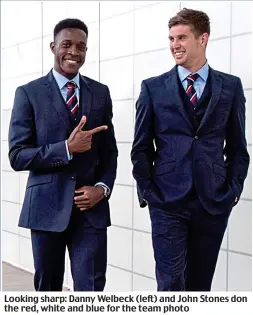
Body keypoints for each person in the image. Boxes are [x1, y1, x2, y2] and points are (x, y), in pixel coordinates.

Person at [131, 8, 249, 291]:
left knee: (200, 286)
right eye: (171, 38)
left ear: (203, 38)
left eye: (182, 37)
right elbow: (140, 149)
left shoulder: (231, 87)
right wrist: (149, 193)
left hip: (213, 201)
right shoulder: (153, 88)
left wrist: (232, 192)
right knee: (171, 285)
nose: (175, 45)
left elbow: (238, 148)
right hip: (167, 202)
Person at [8, 18, 118, 291]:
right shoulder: (28, 94)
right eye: (66, 45)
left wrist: (102, 189)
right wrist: (66, 149)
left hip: (90, 210)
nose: (74, 52)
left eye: (81, 47)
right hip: (46, 208)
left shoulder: (100, 93)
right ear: (53, 47)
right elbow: (17, 155)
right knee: (48, 287)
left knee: (91, 288)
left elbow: (110, 151)